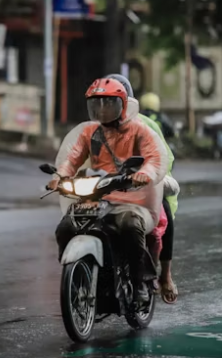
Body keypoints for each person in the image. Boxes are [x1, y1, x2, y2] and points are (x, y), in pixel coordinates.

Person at [49, 78, 169, 303]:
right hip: (97, 195)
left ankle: (139, 282)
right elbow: (73, 157)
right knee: (65, 227)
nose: (102, 110)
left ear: (122, 105)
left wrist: (146, 173)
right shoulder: (89, 133)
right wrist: (60, 176)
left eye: (109, 104)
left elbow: (154, 157)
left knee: (132, 226)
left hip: (132, 199)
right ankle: (75, 275)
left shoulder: (139, 131)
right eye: (97, 105)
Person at [110, 78, 180, 304]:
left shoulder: (147, 125)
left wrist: (150, 175)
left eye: (113, 101)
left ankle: (165, 276)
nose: (107, 107)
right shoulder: (93, 129)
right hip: (104, 190)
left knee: (165, 213)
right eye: (102, 102)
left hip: (142, 188)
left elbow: (165, 159)